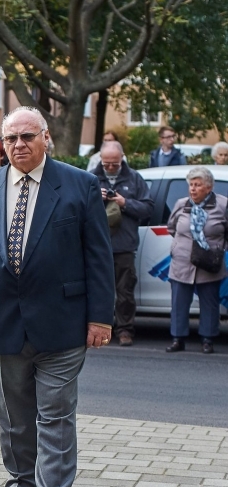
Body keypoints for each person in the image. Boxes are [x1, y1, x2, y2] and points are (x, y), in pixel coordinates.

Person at [0, 106, 115, 487]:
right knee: (14, 414)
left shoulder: (79, 185)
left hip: (63, 321)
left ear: (46, 137)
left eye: (27, 136)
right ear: (1, 144)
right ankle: (23, 486)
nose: (19, 145)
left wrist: (101, 317)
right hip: (3, 321)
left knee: (56, 411)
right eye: (11, 139)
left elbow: (99, 257)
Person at [91, 140, 152, 346]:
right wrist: (93, 198)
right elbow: (73, 208)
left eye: (114, 164)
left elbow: (148, 209)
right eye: (105, 163)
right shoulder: (90, 177)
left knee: (125, 292)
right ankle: (97, 330)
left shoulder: (134, 178)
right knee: (96, 291)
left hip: (124, 245)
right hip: (96, 246)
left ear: (122, 158)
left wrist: (125, 203)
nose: (109, 167)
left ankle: (125, 330)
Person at [165, 166, 228, 354]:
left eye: (198, 185)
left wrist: (218, 248)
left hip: (209, 263)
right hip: (182, 261)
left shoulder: (223, 205)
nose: (193, 189)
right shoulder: (182, 204)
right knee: (179, 302)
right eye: (191, 185)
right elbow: (171, 227)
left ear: (208, 188)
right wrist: (180, 247)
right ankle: (178, 338)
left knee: (209, 302)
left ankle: (207, 339)